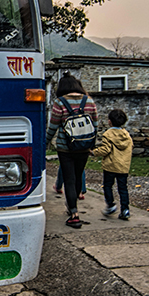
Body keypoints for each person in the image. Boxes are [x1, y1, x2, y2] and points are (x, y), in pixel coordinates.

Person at [45, 74, 97, 228]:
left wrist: (45, 143)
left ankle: (74, 214)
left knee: (69, 178)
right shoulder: (89, 100)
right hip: (83, 146)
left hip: (65, 147)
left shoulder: (60, 102)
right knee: (78, 174)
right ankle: (74, 206)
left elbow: (53, 126)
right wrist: (91, 144)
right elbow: (95, 124)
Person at [92, 108, 134, 220]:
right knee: (123, 188)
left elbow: (105, 150)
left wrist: (94, 152)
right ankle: (125, 210)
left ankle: (110, 205)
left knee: (107, 186)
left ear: (109, 121)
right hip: (123, 166)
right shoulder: (127, 135)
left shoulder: (108, 134)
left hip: (110, 166)